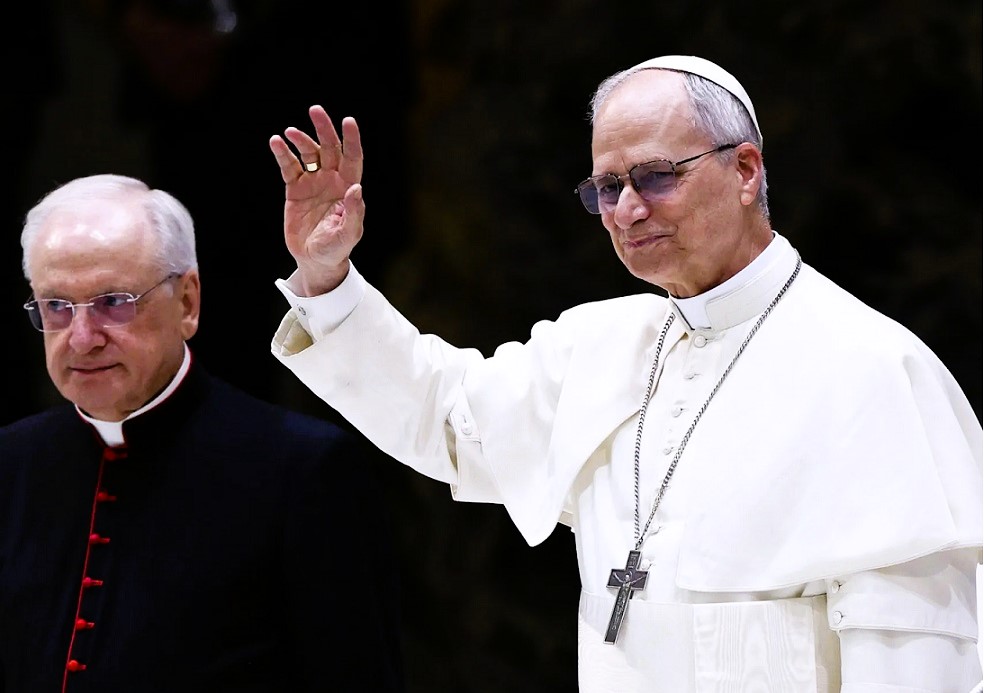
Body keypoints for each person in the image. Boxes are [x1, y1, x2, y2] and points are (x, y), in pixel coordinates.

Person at [266, 56, 983, 692]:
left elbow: (917, 659)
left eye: (656, 177)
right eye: (607, 187)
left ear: (745, 171)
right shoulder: (598, 346)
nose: (629, 210)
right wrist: (329, 277)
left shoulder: (872, 368)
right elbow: (445, 413)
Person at [0, 174, 405, 692]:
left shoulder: (301, 471)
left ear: (187, 302)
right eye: (57, 306)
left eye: (113, 302)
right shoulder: (10, 463)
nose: (82, 339)